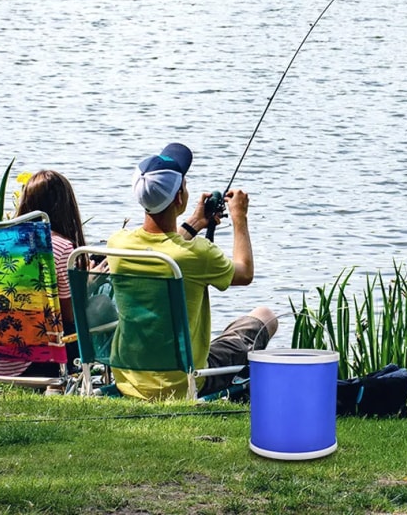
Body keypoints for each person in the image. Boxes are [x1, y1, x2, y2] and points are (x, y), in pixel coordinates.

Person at [107, 142, 278, 400]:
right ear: (179, 198)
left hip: (129, 379)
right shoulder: (197, 254)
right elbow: (244, 272)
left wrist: (195, 223)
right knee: (265, 316)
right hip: (183, 381)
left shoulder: (118, 245)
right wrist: (240, 217)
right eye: (184, 183)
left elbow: (166, 249)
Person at [0, 170, 95, 377]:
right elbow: (70, 315)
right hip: (32, 362)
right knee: (96, 309)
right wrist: (91, 282)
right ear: (67, 207)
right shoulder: (60, 247)